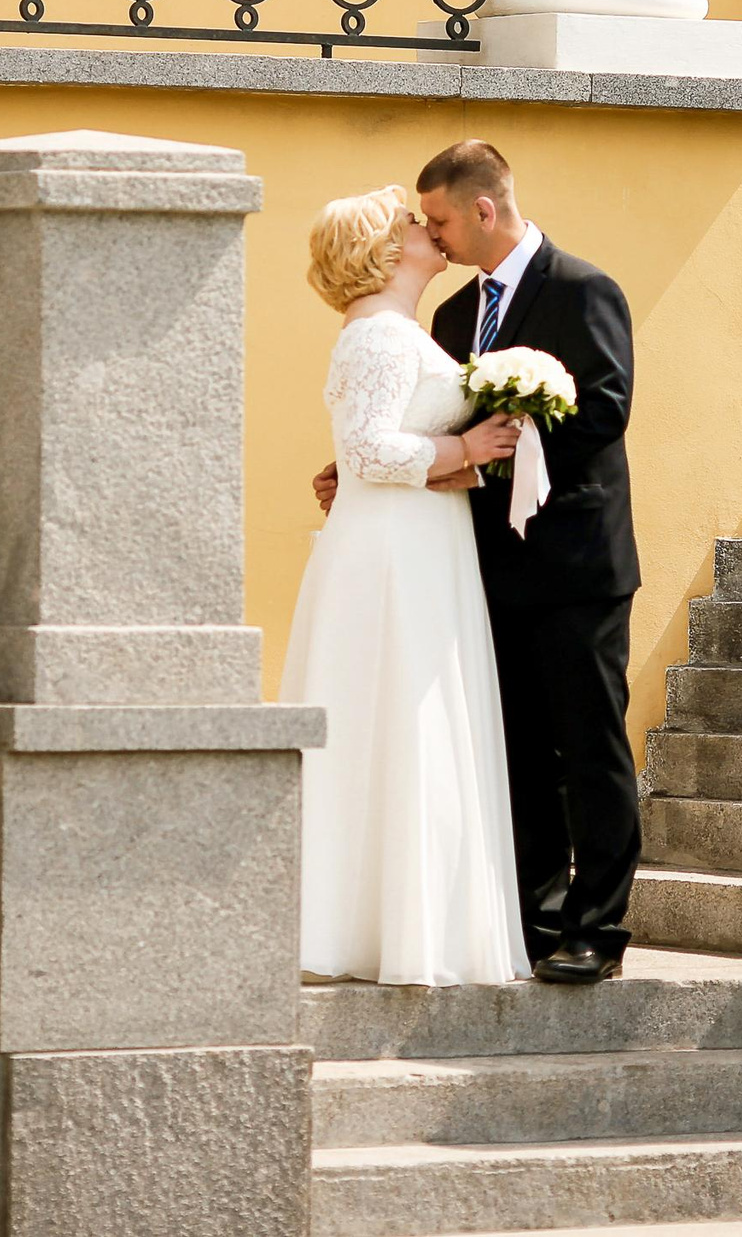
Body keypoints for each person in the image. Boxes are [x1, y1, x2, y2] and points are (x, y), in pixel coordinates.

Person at [315, 142, 642, 985]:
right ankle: (531, 921)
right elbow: (410, 422)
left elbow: (603, 411)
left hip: (576, 562)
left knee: (589, 744)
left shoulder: (583, 288)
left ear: (483, 211)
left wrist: (488, 451)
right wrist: (398, 460)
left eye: (442, 220)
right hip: (479, 561)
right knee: (517, 749)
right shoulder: (452, 319)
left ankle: (596, 929)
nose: (435, 233)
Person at [283, 186, 530, 986]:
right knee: (396, 716)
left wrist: (455, 461)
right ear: (384, 251)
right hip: (393, 557)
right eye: (409, 223)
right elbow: (368, 454)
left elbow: (373, 453)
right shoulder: (382, 336)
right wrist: (468, 449)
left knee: (403, 719)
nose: (427, 228)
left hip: (417, 538)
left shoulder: (396, 332)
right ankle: (381, 931)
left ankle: (408, 925)